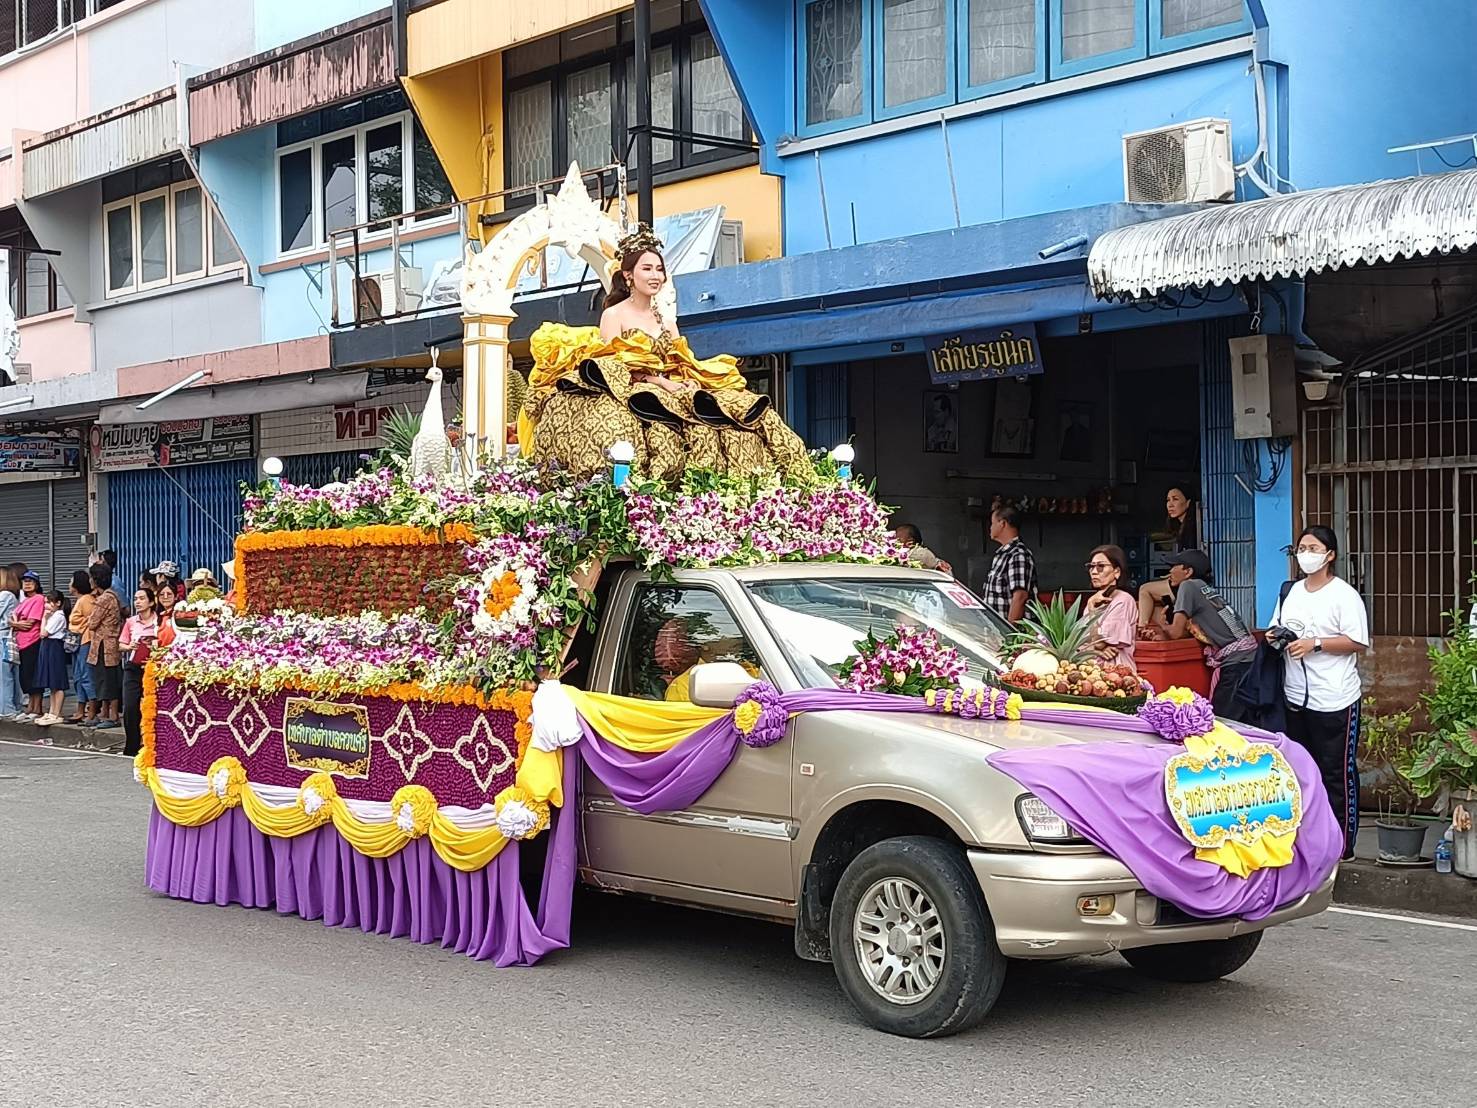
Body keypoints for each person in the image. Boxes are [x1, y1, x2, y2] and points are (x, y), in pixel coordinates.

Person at [520, 224, 809, 483]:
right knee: (660, 426)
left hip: (672, 387)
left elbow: (681, 362)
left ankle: (771, 479)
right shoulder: (614, 314)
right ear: (628, 275)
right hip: (631, 391)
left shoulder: (667, 322)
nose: (655, 275)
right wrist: (659, 382)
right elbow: (611, 368)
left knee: (733, 413)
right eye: (647, 269)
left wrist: (689, 380)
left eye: (659, 269)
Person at [1271, 525, 1370, 860]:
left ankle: (1342, 845)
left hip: (1334, 697)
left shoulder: (1344, 595)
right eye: (1301, 548)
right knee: (1300, 771)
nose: (1305, 554)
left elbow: (1357, 641)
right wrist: (1275, 637)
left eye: (1313, 548)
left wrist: (1315, 643)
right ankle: (1309, 842)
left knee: (1336, 773)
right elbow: (1276, 626)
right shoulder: (1291, 592)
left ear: (1330, 555)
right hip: (1295, 696)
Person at [1157, 550, 1258, 721]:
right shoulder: (1203, 588)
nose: (1170, 571)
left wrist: (1161, 624)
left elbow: (1175, 633)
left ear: (1188, 571)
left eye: (1174, 566)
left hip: (1236, 663)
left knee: (1224, 722)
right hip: (1248, 660)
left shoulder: (1188, 586)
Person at [1137, 485, 1200, 627]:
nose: (1170, 504)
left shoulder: (1192, 529)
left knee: (1144, 590)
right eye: (1168, 500)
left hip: (1188, 584)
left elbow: (1192, 562)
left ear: (1188, 503)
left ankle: (1141, 628)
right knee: (1154, 607)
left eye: (1175, 499)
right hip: (1184, 581)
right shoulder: (1182, 527)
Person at [119, 585, 160, 757]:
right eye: (136, 599)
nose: (138, 602)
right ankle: (132, 746)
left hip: (153, 668)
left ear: (151, 602)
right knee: (130, 706)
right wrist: (130, 646)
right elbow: (121, 645)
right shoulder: (131, 622)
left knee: (155, 707)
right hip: (133, 667)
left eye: (142, 598)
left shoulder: (160, 621)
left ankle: (154, 745)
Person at [1083, 545, 1138, 670]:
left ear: (1116, 572)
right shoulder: (1093, 600)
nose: (1094, 571)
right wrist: (1097, 650)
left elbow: (1099, 642)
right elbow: (1083, 643)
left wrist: (1092, 611)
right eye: (1091, 566)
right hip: (1092, 670)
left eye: (1100, 566)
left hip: (1118, 670)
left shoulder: (1123, 600)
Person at [85, 562, 123, 731]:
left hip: (104, 645)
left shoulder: (104, 599)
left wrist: (88, 618)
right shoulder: (113, 596)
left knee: (107, 680)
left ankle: (112, 715)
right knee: (107, 679)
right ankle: (105, 713)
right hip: (109, 644)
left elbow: (92, 622)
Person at [982, 506, 1036, 623]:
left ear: (1002, 524)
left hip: (1009, 630)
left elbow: (1020, 596)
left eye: (992, 523)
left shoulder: (1018, 554)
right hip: (995, 628)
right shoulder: (1002, 555)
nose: (990, 527)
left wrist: (1010, 629)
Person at [32, 591, 69, 730]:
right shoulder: (53, 615)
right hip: (48, 646)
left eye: (49, 602)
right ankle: (52, 712)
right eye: (45, 602)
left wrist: (44, 618)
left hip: (54, 647)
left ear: (58, 603)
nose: (46, 605)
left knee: (57, 681)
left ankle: (56, 713)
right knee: (52, 683)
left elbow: (43, 633)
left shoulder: (58, 616)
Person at [13, 570, 46, 720]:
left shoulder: (39, 599)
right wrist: (16, 623)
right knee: (25, 676)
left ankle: (37, 708)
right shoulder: (24, 601)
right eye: (24, 581)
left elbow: (29, 623)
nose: (27, 584)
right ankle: (30, 707)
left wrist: (15, 624)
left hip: (32, 641)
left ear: (37, 584)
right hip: (21, 643)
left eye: (30, 581)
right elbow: (13, 620)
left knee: (33, 675)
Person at [67, 569, 97, 724]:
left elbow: (90, 619)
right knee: (78, 676)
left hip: (85, 640)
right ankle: (80, 709)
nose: (69, 584)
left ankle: (91, 710)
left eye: (71, 580)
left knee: (85, 675)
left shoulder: (86, 600)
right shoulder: (82, 600)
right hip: (79, 642)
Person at [0, 566, 21, 719]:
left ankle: (7, 709)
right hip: (7, 636)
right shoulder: (12, 596)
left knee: (4, 675)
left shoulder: (5, 595)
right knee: (9, 674)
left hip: (3, 637)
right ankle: (12, 707)